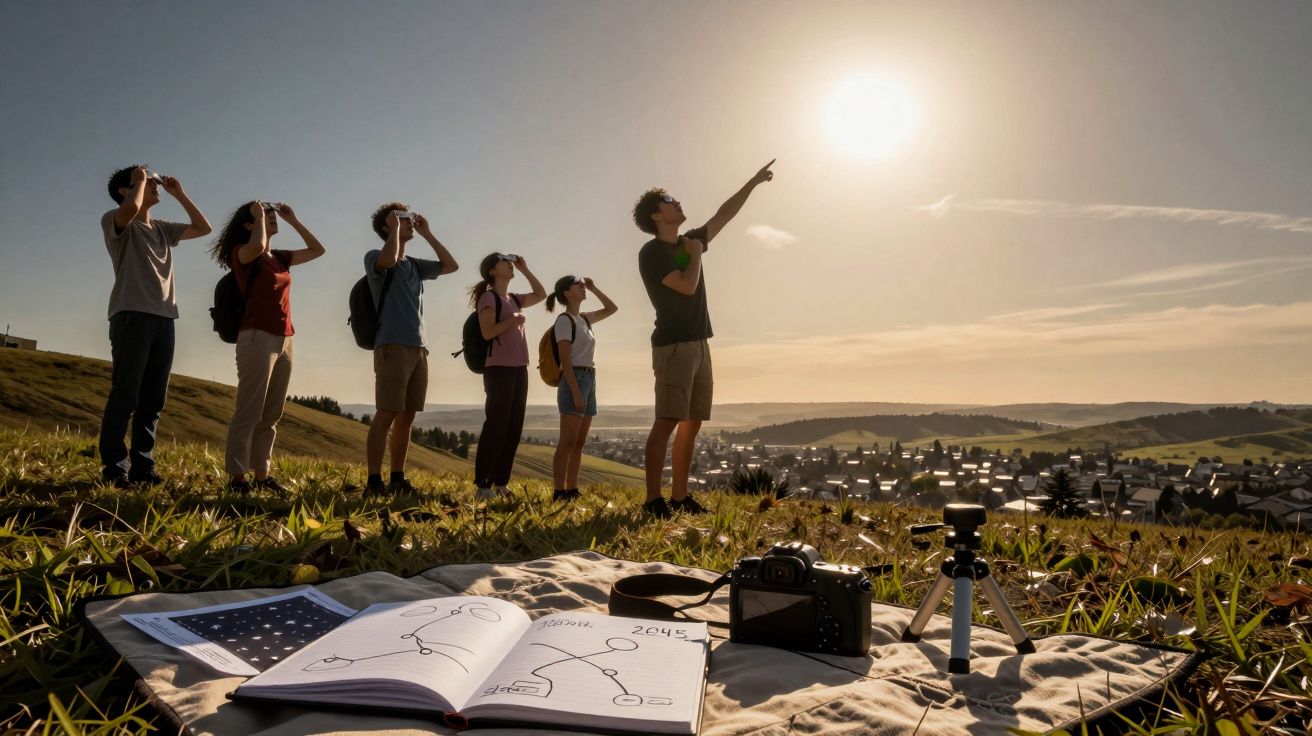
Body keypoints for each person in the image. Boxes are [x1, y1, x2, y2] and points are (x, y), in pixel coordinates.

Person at [633, 159, 775, 517]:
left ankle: (680, 498)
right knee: (666, 420)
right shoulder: (653, 253)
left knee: (692, 423)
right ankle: (653, 500)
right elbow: (686, 285)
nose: (677, 201)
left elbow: (722, 215)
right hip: (674, 345)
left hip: (699, 343)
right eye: (668, 199)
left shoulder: (688, 242)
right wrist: (694, 255)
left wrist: (753, 182)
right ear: (655, 215)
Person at [98, 165, 212, 487]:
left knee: (153, 400)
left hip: (165, 318)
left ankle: (143, 467)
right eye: (150, 183)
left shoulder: (161, 228)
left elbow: (203, 228)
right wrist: (139, 176)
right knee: (126, 395)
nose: (155, 186)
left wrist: (179, 194)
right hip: (131, 315)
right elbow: (132, 207)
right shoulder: (116, 219)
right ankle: (114, 468)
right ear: (127, 189)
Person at [211, 201, 326, 494]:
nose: (272, 219)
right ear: (249, 224)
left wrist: (294, 219)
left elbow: (317, 250)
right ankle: (237, 479)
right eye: (265, 216)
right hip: (255, 337)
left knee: (272, 413)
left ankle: (262, 475)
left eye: (272, 216)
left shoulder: (281, 258)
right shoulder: (244, 254)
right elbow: (259, 244)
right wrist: (260, 216)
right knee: (249, 410)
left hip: (286, 338)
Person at [364, 203, 459, 495]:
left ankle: (397, 478)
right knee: (386, 413)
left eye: (409, 218)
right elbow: (388, 260)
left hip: (419, 347)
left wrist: (427, 233)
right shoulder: (375, 257)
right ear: (387, 226)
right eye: (402, 219)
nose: (409, 222)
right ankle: (374, 482)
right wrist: (395, 229)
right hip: (392, 344)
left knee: (407, 416)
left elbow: (450, 265)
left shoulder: (415, 265)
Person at [470, 253, 546, 499]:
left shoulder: (513, 298)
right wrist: (512, 321)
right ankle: (483, 484)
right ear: (492, 270)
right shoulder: (488, 298)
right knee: (496, 425)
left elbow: (541, 294)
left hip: (519, 368)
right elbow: (487, 332)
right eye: (504, 260)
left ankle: (501, 483)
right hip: (498, 368)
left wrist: (524, 268)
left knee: (513, 427)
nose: (509, 262)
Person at [545, 276, 618, 502]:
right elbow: (565, 360)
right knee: (567, 441)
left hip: (590, 377)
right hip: (574, 378)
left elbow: (612, 308)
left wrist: (594, 287)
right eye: (578, 284)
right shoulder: (564, 321)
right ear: (567, 292)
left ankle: (572, 489)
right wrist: (576, 392)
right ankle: (559, 491)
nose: (582, 287)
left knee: (579, 443)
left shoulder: (585, 319)